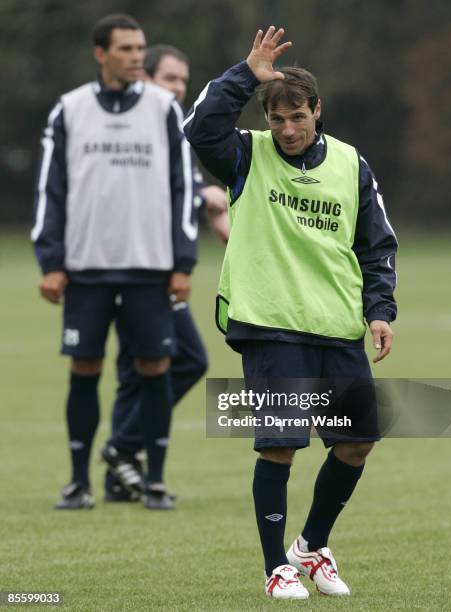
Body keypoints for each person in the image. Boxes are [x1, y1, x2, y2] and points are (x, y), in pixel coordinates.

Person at [184, 27, 397, 599]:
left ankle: (311, 545)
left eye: (297, 117)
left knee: (357, 442)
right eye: (277, 119)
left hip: (335, 324)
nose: (287, 129)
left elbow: (376, 247)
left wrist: (380, 310)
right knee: (280, 441)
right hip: (269, 321)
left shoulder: (353, 167)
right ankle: (275, 565)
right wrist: (244, 75)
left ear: (316, 111)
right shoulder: (245, 155)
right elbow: (198, 128)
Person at [31, 14, 196, 511]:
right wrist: (51, 260)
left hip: (150, 266)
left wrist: (182, 262)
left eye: (140, 48)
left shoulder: (165, 108)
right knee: (85, 367)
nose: (135, 57)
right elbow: (50, 190)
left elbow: (183, 187)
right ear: (100, 53)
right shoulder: (70, 109)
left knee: (155, 366)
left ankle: (156, 481)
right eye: (125, 48)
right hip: (86, 267)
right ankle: (79, 482)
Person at [101, 44, 229, 509]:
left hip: (153, 264)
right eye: (170, 79)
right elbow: (150, 188)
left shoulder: (168, 125)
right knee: (189, 358)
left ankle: (122, 473)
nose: (178, 88)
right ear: (146, 79)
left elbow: (181, 183)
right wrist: (204, 197)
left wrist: (208, 201)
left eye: (183, 80)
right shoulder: (137, 122)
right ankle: (122, 447)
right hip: (134, 264)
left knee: (136, 371)